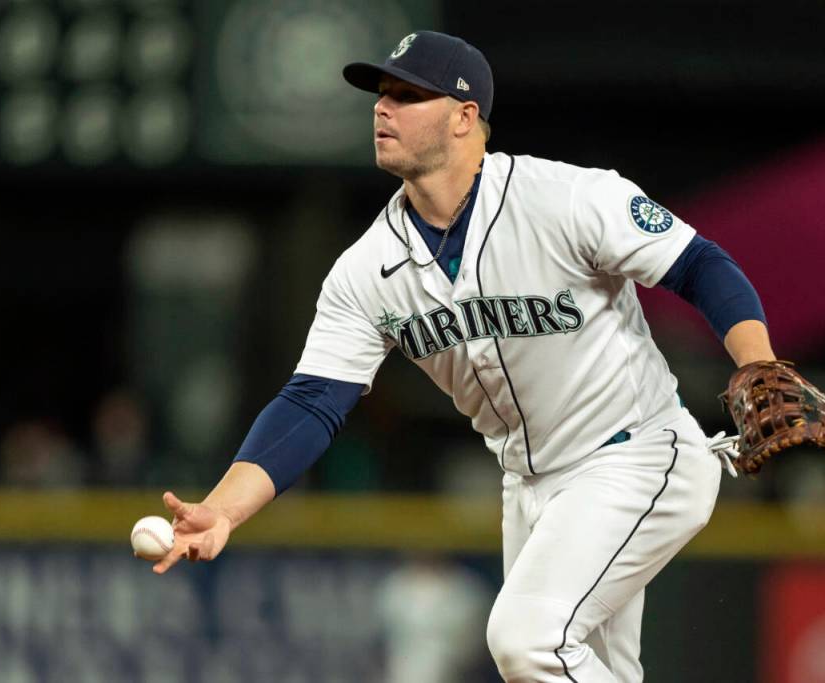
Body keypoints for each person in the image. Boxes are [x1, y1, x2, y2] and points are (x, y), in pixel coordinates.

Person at [151, 31, 775, 682]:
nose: (382, 107)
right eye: (381, 93)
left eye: (406, 95)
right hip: (530, 485)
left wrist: (757, 364)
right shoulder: (366, 270)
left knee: (526, 640)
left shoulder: (563, 199)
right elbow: (311, 401)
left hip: (637, 454)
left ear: (464, 116)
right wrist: (223, 509)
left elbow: (698, 264)